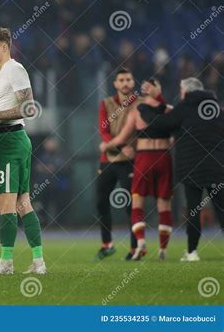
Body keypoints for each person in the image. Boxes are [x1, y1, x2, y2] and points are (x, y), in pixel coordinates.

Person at [0, 27, 46, 275]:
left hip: (11, 140)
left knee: (5, 201)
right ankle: (38, 263)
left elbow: (29, 108)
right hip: (9, 139)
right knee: (22, 203)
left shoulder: (15, 69)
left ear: (4, 47)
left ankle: (6, 263)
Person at [138, 77, 224, 261]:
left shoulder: (183, 108)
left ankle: (192, 252)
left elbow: (161, 124)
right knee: (222, 209)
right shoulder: (216, 109)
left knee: (193, 210)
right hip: (217, 167)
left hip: (191, 168)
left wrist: (144, 108)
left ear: (185, 91)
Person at [100, 79, 174, 261]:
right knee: (164, 203)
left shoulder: (136, 112)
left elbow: (122, 138)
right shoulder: (169, 110)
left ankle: (140, 242)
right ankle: (163, 249)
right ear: (158, 90)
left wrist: (106, 146)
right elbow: (175, 138)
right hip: (164, 157)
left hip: (144, 158)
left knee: (137, 202)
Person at [96, 68, 141, 260]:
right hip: (108, 160)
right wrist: (120, 147)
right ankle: (107, 244)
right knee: (100, 201)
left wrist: (111, 145)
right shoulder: (106, 104)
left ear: (133, 82)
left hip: (131, 161)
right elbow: (103, 130)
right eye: (121, 80)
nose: (125, 83)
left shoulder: (140, 104)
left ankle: (134, 248)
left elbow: (141, 131)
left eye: (128, 79)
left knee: (132, 205)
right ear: (115, 84)